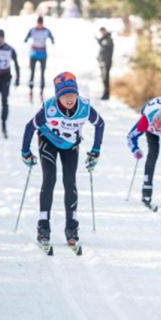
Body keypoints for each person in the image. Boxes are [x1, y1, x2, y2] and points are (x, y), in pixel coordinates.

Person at [21, 71, 105, 246]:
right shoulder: (49, 108)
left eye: (73, 94)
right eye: (65, 95)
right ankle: (43, 226)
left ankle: (71, 227)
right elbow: (30, 127)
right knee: (49, 179)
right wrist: (25, 151)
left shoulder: (84, 107)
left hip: (70, 146)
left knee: (70, 182)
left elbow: (100, 124)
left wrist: (96, 150)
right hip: (48, 142)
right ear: (58, 96)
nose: (69, 99)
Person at [24, 16, 55, 103]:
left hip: (42, 54)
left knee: (42, 74)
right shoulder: (32, 30)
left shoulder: (46, 30)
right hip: (33, 54)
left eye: (41, 23)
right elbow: (26, 38)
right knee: (32, 73)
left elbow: (52, 37)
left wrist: (52, 40)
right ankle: (31, 90)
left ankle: (41, 92)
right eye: (38, 23)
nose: (40, 25)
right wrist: (26, 40)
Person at [96, 27, 114, 100]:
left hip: (106, 62)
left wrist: (100, 40)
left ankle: (106, 94)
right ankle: (105, 94)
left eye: (103, 32)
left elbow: (105, 47)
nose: (102, 34)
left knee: (106, 79)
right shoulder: (105, 39)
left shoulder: (108, 39)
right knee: (104, 79)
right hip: (103, 62)